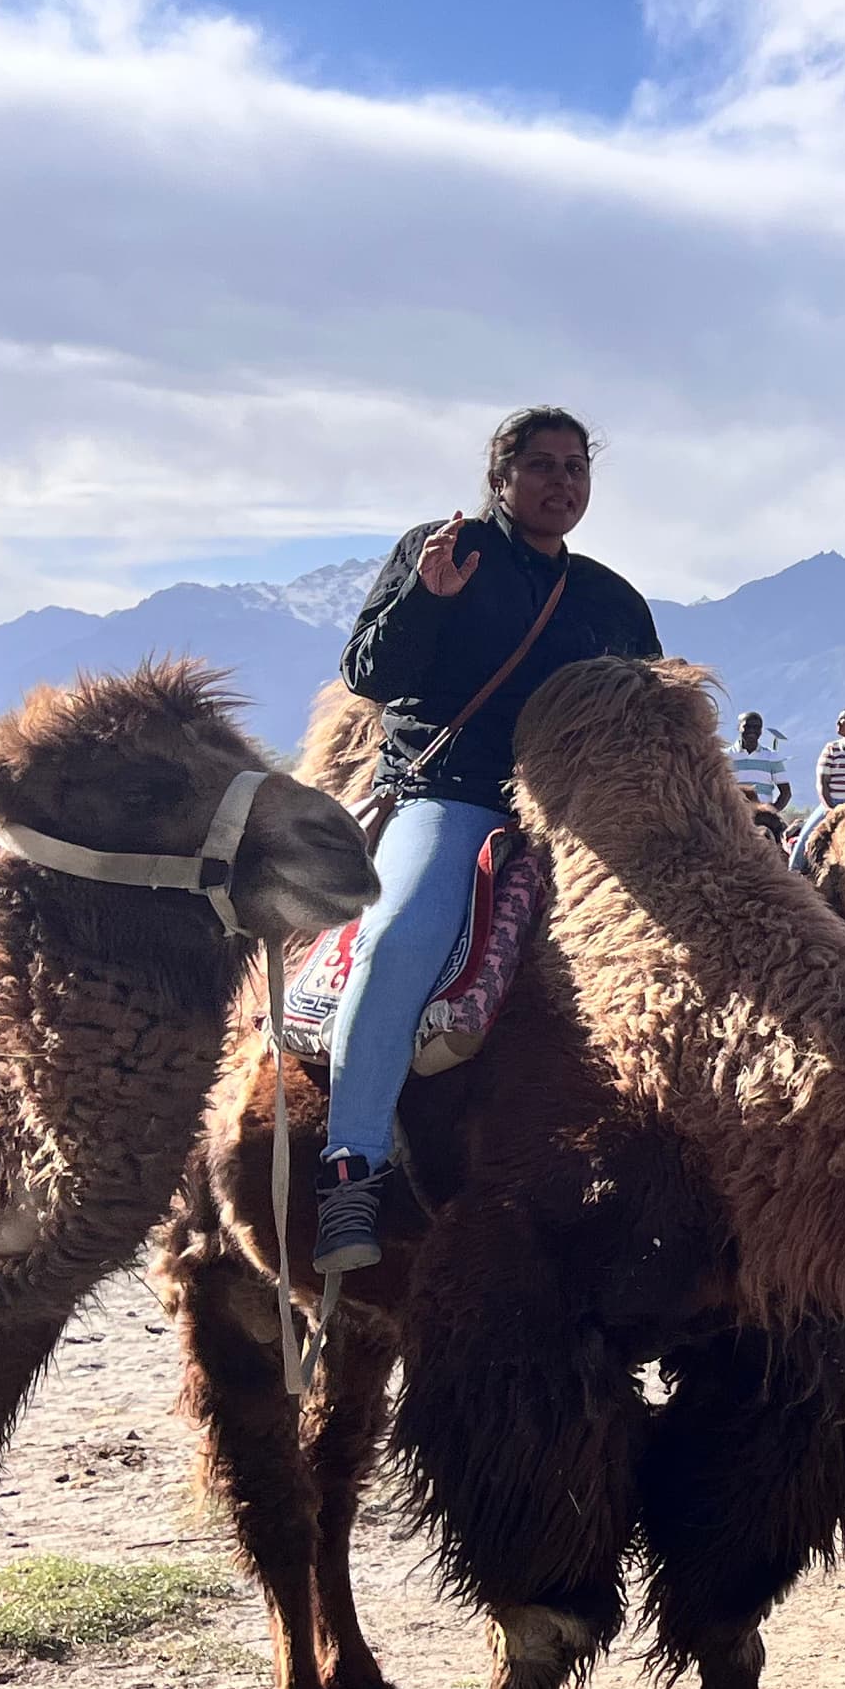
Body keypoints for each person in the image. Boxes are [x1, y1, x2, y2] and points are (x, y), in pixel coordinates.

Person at [312, 407, 661, 1274]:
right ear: (499, 477)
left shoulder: (609, 599)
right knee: (398, 940)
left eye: (576, 467)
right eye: (540, 465)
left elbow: (650, 713)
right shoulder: (444, 551)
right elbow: (369, 675)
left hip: (581, 814)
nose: (561, 483)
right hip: (453, 797)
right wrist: (426, 600)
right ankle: (351, 1166)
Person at [729, 711, 791, 828]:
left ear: (761, 731)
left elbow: (786, 792)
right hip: (733, 818)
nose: (752, 730)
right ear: (739, 728)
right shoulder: (725, 756)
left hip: (762, 821)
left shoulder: (771, 757)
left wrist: (771, 812)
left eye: (756, 727)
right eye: (747, 726)